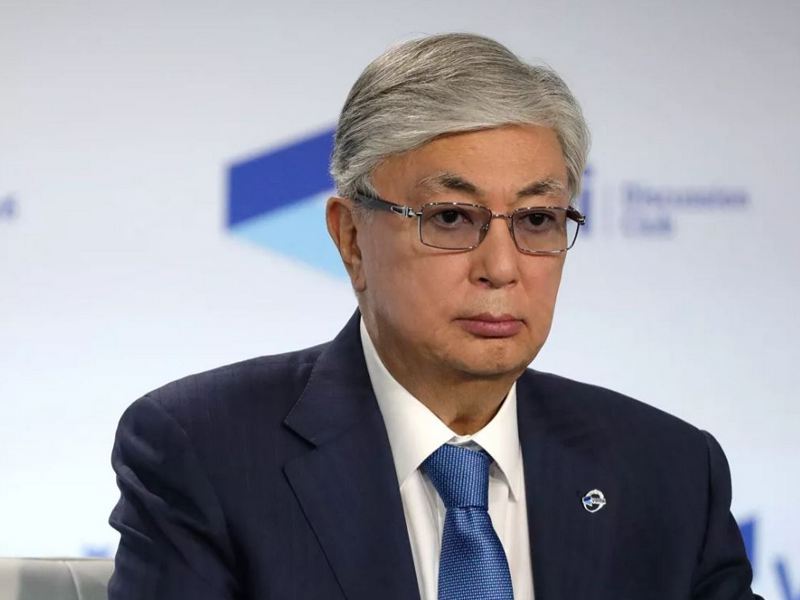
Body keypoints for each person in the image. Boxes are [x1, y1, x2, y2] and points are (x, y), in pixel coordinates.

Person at [108, 33, 761, 600]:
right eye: (451, 217)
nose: (501, 266)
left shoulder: (666, 470)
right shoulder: (207, 452)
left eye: (537, 219)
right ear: (351, 239)